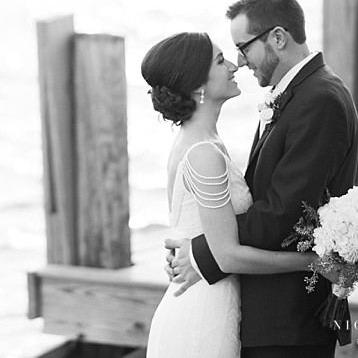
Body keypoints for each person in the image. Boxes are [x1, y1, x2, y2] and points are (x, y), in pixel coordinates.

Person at [165, 0, 358, 358]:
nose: (240, 61)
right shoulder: (298, 94)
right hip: (273, 317)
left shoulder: (319, 100)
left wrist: (202, 252)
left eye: (244, 47)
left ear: (278, 38)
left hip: (287, 319)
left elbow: (280, 214)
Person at [141, 31, 334, 358]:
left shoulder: (198, 141)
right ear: (197, 85)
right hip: (202, 315)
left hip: (206, 298)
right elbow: (227, 255)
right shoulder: (203, 153)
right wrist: (312, 262)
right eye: (220, 61)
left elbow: (190, 231)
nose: (234, 65)